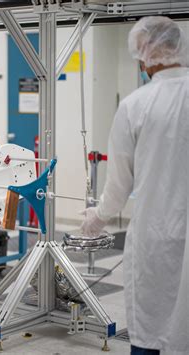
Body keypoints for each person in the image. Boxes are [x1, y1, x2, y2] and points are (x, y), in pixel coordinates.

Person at [81, 16, 188, 355]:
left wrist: (97, 218)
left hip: (154, 238)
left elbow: (119, 184)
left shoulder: (135, 106)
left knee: (151, 326)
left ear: (145, 54)